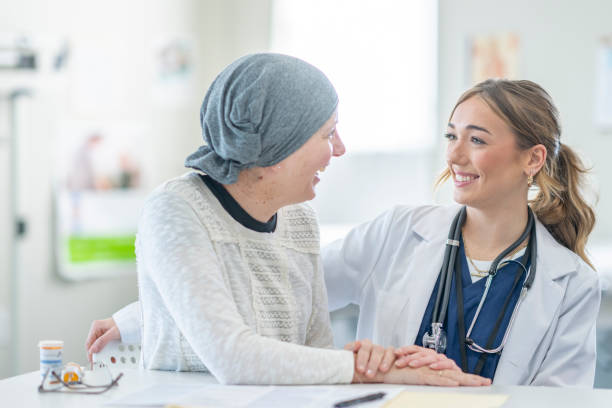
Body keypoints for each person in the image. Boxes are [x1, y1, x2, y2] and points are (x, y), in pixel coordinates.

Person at [86, 53, 489, 387]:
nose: (340, 148)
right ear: (277, 149)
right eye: (328, 134)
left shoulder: (298, 220)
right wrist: (388, 371)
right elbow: (233, 356)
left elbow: (312, 351)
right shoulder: (176, 210)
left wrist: (375, 360)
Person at [324, 79, 600, 386]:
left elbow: (561, 404)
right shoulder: (396, 231)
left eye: (477, 141)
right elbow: (293, 291)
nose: (453, 156)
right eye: (451, 136)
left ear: (533, 159)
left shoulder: (573, 285)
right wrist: (351, 362)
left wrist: (467, 394)